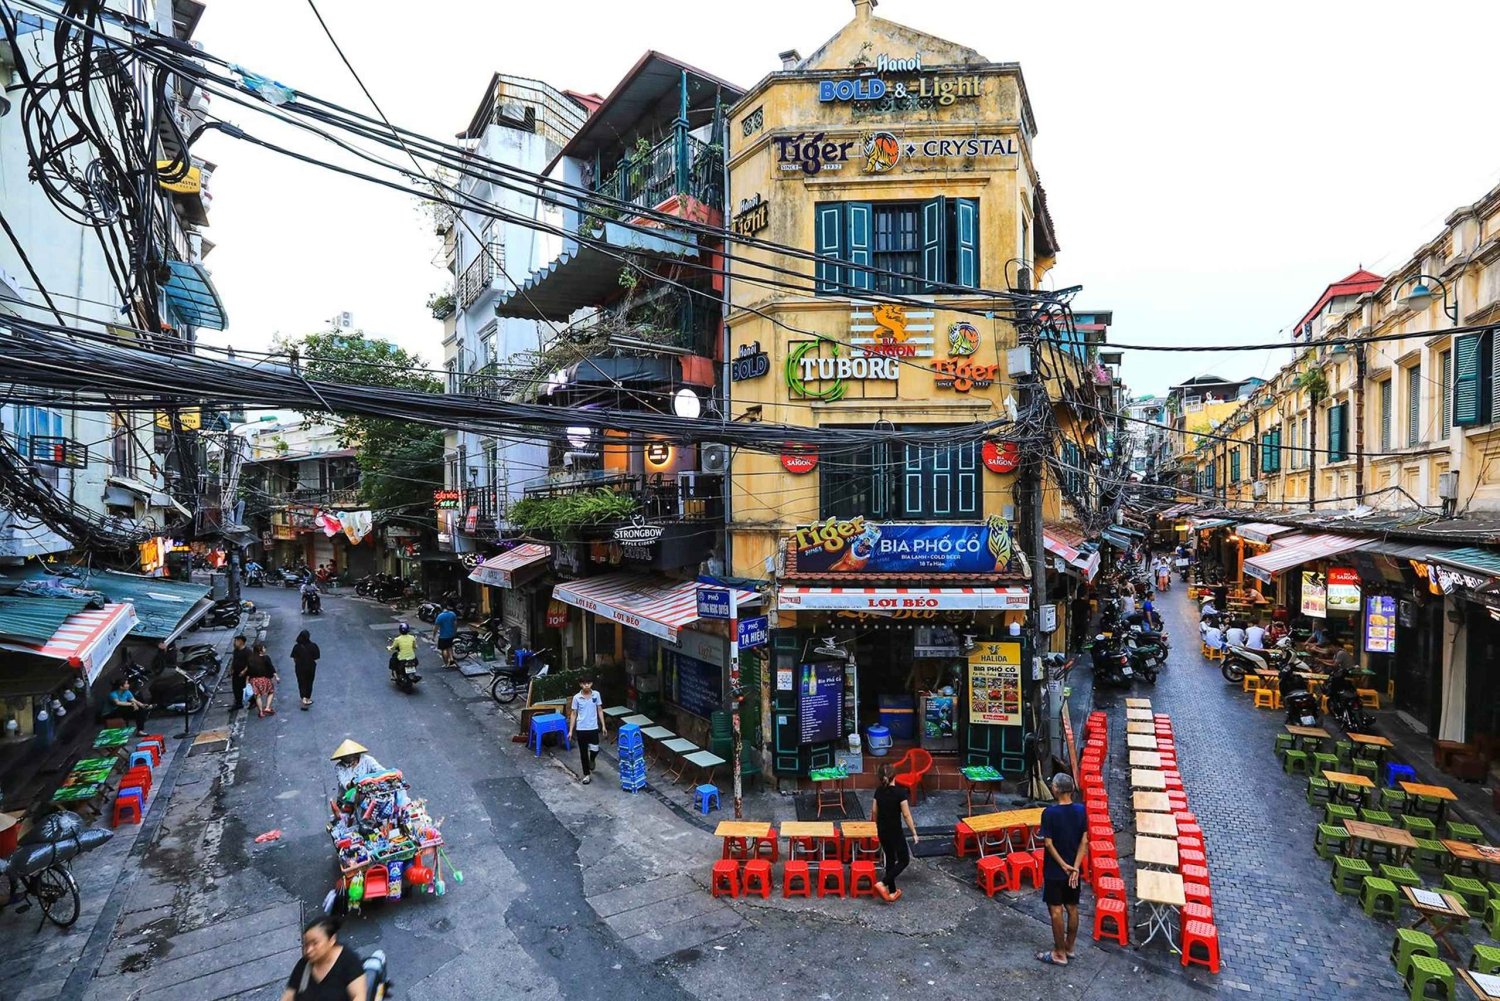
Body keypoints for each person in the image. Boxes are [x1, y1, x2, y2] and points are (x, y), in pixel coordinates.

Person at [1037, 772, 1089, 966]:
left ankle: (1059, 953)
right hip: (1074, 870)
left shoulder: (1049, 813)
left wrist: (1063, 865)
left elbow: (1049, 844)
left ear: (1056, 790)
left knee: (1056, 910)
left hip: (1055, 869)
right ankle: (1070, 947)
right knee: (1072, 907)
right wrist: (1075, 867)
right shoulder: (1081, 810)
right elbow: (1085, 840)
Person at [281, 916, 366, 1001]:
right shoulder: (304, 965)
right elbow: (288, 996)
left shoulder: (349, 961)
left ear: (331, 940)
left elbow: (359, 996)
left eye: (315, 943)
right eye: (306, 945)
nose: (309, 950)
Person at [870, 762, 919, 902]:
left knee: (890, 858)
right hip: (895, 831)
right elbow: (906, 815)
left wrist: (877, 824)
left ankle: (892, 891)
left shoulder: (878, 791)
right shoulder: (900, 793)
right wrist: (914, 832)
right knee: (904, 860)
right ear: (894, 776)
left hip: (882, 830)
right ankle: (883, 883)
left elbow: (874, 811)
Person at [566, 675, 607, 783]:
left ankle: (592, 759)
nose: (586, 685)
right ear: (580, 685)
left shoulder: (596, 695)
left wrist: (603, 725)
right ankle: (586, 774)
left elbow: (599, 710)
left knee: (595, 749)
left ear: (591, 684)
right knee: (583, 752)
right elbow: (574, 714)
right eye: (584, 683)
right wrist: (570, 731)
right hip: (581, 728)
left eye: (588, 683)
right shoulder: (576, 697)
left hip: (593, 727)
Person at [247, 641, 279, 717]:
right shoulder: (266, 658)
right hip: (264, 679)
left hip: (254, 680)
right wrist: (276, 676)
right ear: (260, 650)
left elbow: (249, 671)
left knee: (257, 696)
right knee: (270, 692)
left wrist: (247, 682)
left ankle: (261, 712)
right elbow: (271, 668)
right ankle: (267, 707)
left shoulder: (250, 659)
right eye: (264, 648)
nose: (265, 649)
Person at [291, 630, 321, 710]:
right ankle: (307, 698)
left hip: (299, 667)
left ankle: (303, 697)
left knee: (301, 682)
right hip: (310, 667)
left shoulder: (296, 647)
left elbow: (294, 658)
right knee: (309, 682)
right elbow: (316, 657)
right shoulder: (313, 646)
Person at [229, 634, 251, 713]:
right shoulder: (236, 651)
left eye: (236, 641)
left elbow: (249, 663)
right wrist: (231, 669)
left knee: (245, 688)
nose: (235, 643)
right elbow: (234, 660)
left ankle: (253, 701)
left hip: (244, 674)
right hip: (236, 672)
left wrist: (244, 671)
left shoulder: (247, 651)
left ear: (241, 642)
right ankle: (238, 703)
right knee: (236, 688)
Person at [433, 604, 458, 669]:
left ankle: (446, 663)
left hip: (443, 636)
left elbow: (436, 627)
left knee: (444, 649)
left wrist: (434, 636)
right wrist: (454, 632)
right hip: (451, 635)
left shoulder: (440, 616)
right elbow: (455, 624)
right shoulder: (452, 614)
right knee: (449, 647)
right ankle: (451, 660)